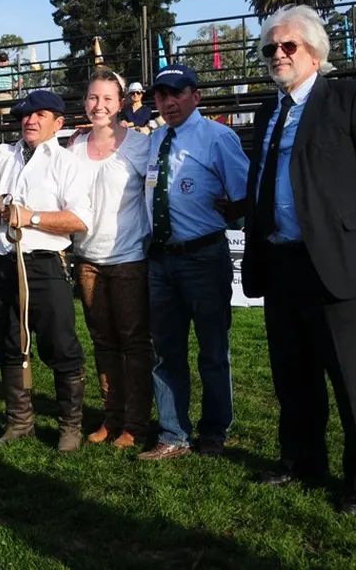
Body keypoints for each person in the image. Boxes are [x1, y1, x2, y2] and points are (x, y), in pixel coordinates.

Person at [241, 5, 356, 515]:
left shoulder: (353, 98)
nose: (278, 55)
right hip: (282, 262)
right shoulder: (269, 112)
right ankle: (302, 459)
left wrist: (354, 240)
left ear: (315, 51)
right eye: (270, 48)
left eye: (288, 46)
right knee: (293, 375)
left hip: (336, 264)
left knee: (353, 379)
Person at [0, 90, 92, 452]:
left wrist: (32, 217)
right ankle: (19, 422)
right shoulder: (5, 153)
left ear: (58, 123)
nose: (30, 120)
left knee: (60, 345)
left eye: (40, 114)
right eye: (26, 115)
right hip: (2, 264)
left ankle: (70, 428)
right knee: (7, 343)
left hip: (44, 264)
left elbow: (79, 220)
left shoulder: (67, 162)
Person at [137, 63, 249, 461]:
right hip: (161, 261)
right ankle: (173, 432)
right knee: (166, 352)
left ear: (195, 96)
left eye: (176, 93)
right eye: (161, 95)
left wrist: (228, 211)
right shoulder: (154, 140)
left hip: (203, 256)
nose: (167, 102)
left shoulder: (218, 137)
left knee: (213, 350)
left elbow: (244, 193)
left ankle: (215, 431)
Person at [68, 69, 153, 449]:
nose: (98, 105)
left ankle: (136, 423)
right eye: (92, 98)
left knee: (133, 342)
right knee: (103, 341)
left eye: (106, 99)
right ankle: (111, 416)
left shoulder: (139, 145)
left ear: (121, 104)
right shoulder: (72, 148)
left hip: (129, 258)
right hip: (87, 259)